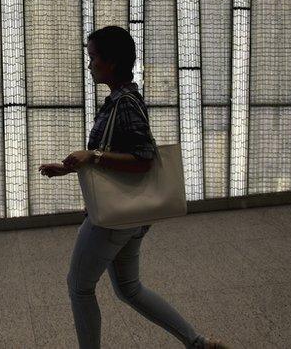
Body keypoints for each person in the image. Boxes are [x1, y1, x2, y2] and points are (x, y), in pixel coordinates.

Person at [39, 26, 225, 349]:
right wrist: (72, 167)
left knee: (79, 287)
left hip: (112, 220)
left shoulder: (124, 103)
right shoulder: (121, 99)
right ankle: (199, 344)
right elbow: (114, 154)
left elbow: (143, 159)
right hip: (130, 216)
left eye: (93, 58)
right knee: (129, 288)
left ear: (110, 62)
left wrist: (93, 156)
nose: (89, 65)